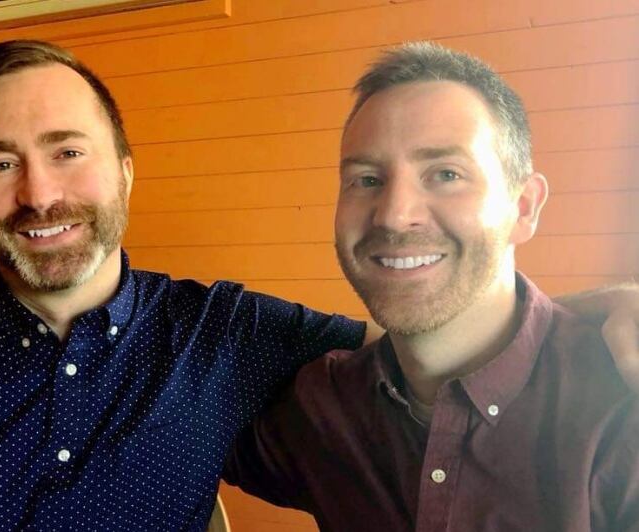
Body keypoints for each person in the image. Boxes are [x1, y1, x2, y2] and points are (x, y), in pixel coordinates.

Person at [0, 40, 635, 531]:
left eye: (68, 151)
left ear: (126, 172)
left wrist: (594, 318)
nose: (37, 193)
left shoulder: (225, 331)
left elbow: (432, 328)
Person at [224, 42, 639, 531]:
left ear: (524, 207)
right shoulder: (323, 407)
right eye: (366, 179)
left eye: (446, 174)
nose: (395, 214)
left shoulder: (620, 405)